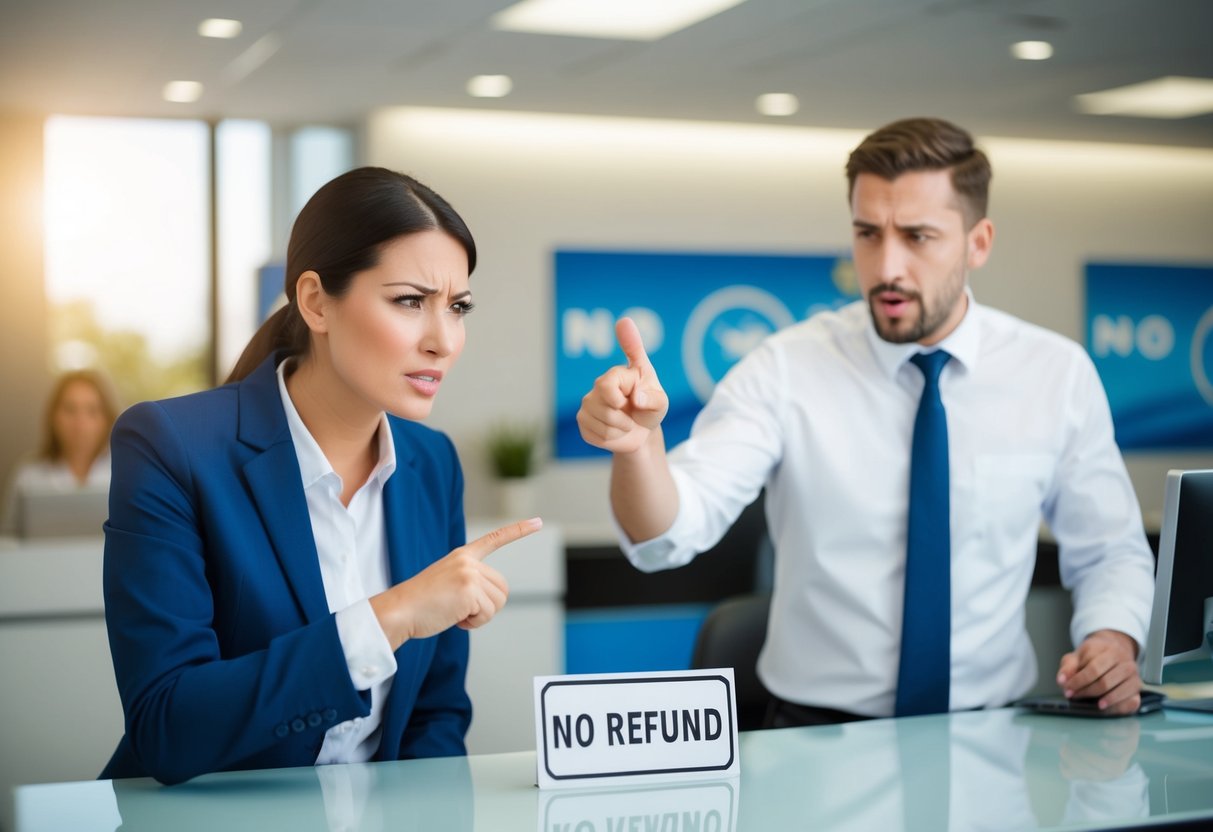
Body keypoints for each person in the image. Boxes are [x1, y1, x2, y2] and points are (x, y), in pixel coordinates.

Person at [576, 117, 1154, 725]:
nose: (887, 267)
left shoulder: (1054, 373)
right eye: (868, 234)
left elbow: (1110, 549)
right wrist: (639, 448)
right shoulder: (784, 368)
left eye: (918, 236)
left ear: (978, 242)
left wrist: (1115, 639)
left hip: (993, 731)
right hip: (816, 736)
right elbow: (666, 535)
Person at [101, 166, 541, 785]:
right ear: (315, 302)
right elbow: (168, 725)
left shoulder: (431, 463)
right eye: (410, 301)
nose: (444, 340)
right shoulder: (170, 446)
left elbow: (434, 718)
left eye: (458, 307)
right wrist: (390, 617)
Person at [0, 369, 117, 535]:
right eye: (70, 409)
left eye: (91, 411)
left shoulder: (124, 473)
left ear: (106, 419)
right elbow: (7, 541)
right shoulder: (27, 474)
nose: (80, 423)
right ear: (53, 416)